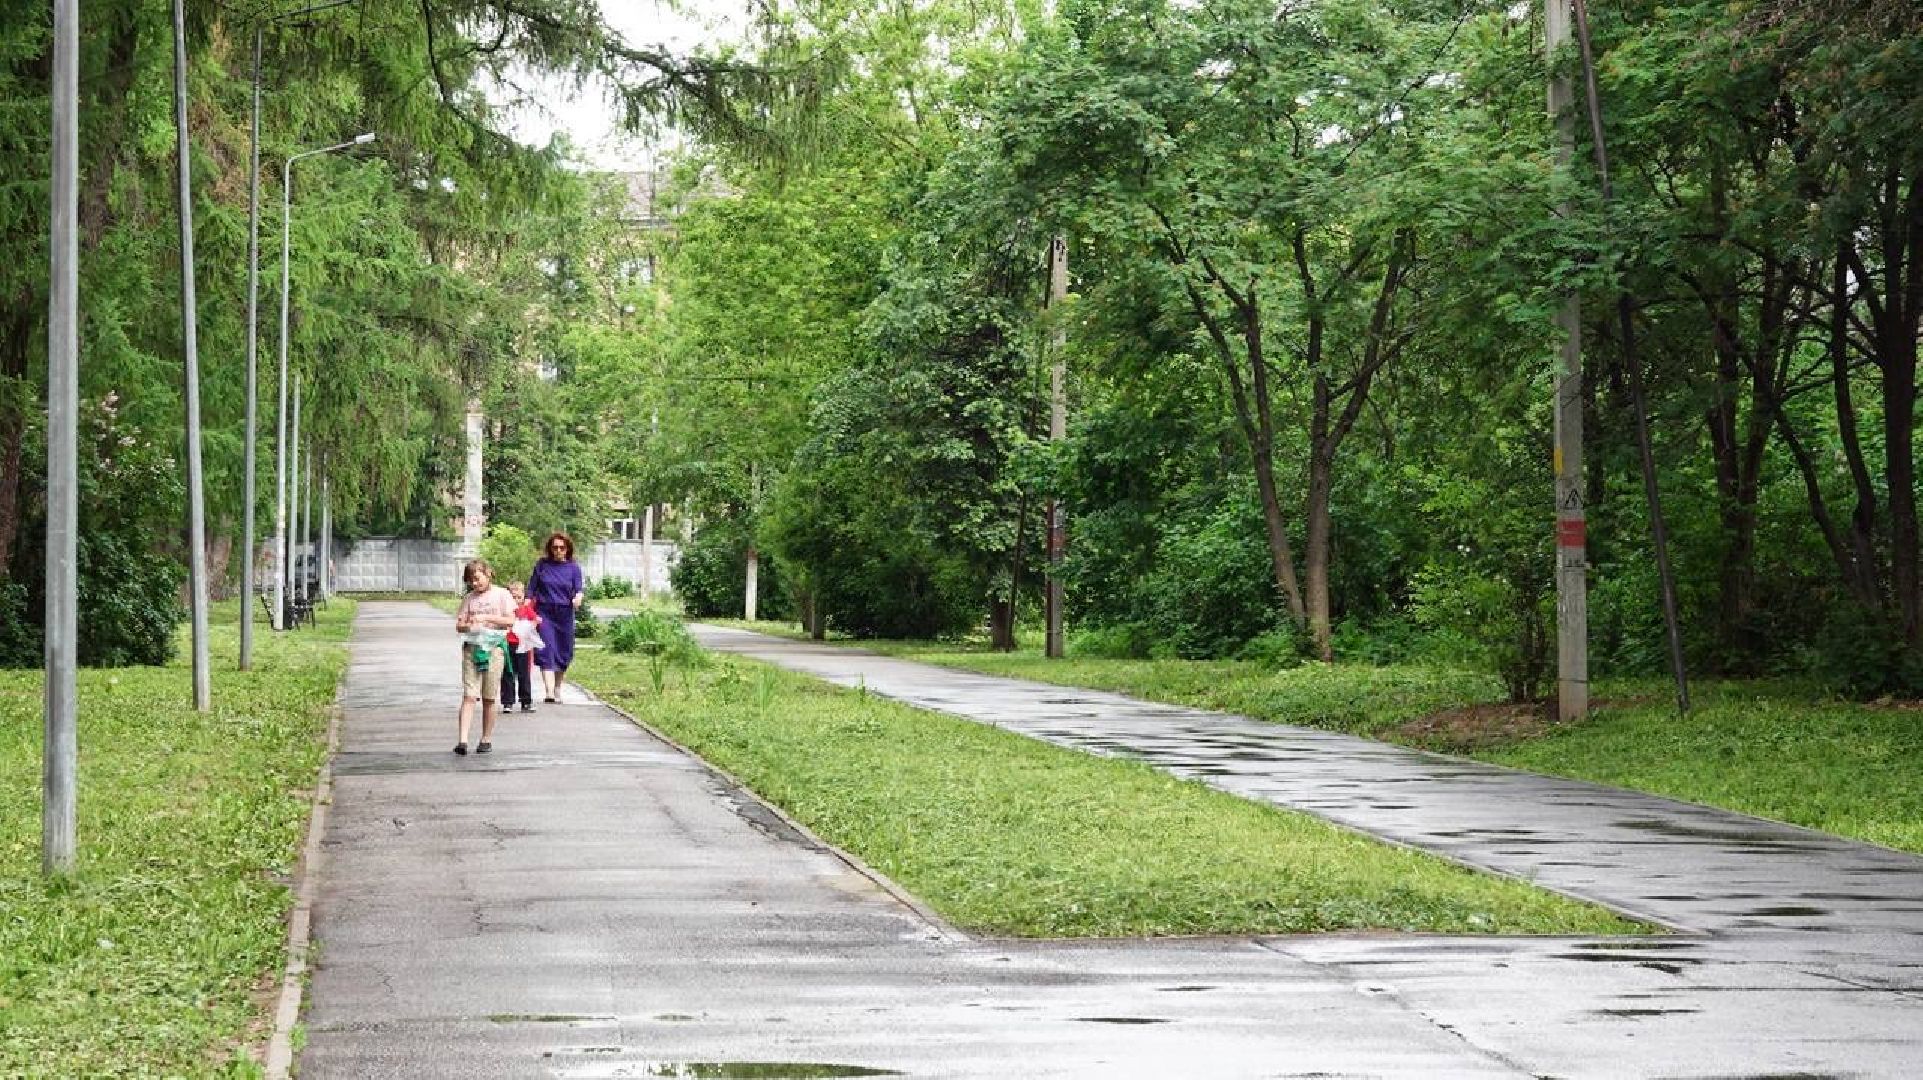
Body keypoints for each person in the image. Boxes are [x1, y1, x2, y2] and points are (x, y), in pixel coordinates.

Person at [453, 559, 516, 755]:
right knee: (469, 695)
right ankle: (463, 741)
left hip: (494, 648)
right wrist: (468, 625)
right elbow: (459, 625)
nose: (475, 583)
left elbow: (510, 621)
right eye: (471, 580)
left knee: (489, 697)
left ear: (488, 574)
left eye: (477, 578)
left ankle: (486, 738)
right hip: (472, 648)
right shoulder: (469, 598)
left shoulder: (502, 594)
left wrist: (486, 618)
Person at [529, 531, 584, 704]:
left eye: (562, 548)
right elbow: (531, 589)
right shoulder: (542, 565)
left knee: (563, 651)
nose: (558, 551)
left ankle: (558, 687)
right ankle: (549, 691)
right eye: (555, 547)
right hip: (544, 612)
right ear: (550, 549)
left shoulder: (573, 568)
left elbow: (579, 589)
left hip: (565, 614)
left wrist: (578, 598)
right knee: (545, 649)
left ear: (568, 549)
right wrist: (525, 606)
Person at [499, 580, 542, 714]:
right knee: (508, 673)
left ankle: (526, 701)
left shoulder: (526, 609)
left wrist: (533, 624)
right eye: (514, 597)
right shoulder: (505, 611)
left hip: (523, 645)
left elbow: (536, 619)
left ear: (523, 596)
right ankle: (507, 702)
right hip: (508, 644)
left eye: (519, 597)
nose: (517, 600)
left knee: (524, 674)